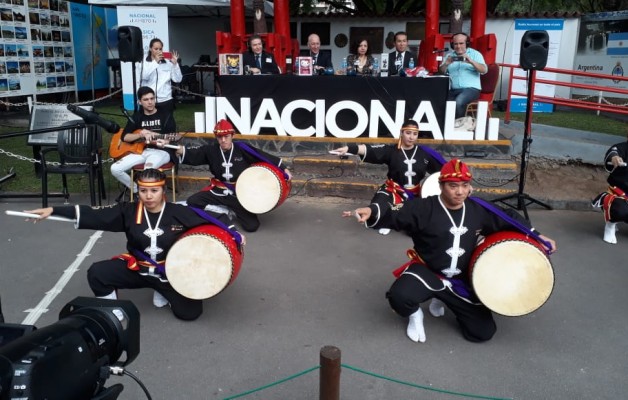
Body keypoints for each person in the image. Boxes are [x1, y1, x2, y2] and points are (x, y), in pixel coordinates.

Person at [343, 159, 556, 343]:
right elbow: (394, 212)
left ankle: (442, 298)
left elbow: (509, 218)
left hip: (461, 280)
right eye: (453, 186)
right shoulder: (423, 207)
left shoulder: (478, 209)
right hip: (427, 271)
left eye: (464, 185)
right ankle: (416, 315)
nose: (460, 191)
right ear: (441, 185)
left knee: (482, 333)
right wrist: (371, 211)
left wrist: (537, 235)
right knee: (399, 297)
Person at [24, 169, 245, 321]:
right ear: (137, 190)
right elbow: (94, 214)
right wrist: (53, 211)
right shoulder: (128, 211)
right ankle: (113, 311)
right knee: (98, 273)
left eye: (154, 191)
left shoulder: (179, 212)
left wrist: (234, 234)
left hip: (170, 274)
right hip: (137, 268)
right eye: (143, 191)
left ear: (163, 190)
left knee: (190, 313)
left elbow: (212, 219)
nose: (148, 196)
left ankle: (163, 293)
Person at [174, 119, 292, 232]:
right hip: (218, 191)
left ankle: (229, 209)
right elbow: (192, 153)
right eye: (220, 137)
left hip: (238, 194)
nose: (223, 140)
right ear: (217, 137)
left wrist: (283, 168)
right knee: (193, 201)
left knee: (252, 226)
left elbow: (262, 155)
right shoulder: (211, 150)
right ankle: (221, 211)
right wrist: (177, 149)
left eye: (226, 136)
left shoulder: (242, 148)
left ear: (232, 135)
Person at [332, 119, 443, 235]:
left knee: (421, 223)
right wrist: (349, 149)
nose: (411, 137)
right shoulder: (392, 151)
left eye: (415, 134)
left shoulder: (424, 153)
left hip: (416, 193)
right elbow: (371, 150)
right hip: (393, 190)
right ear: (401, 133)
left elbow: (444, 169)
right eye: (408, 133)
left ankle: (399, 219)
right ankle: (386, 221)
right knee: (380, 204)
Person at [111, 86, 178, 197]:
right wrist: (140, 134)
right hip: (140, 151)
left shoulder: (166, 115)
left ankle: (152, 197)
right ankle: (137, 191)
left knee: (148, 169)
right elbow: (125, 137)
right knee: (115, 168)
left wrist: (159, 139)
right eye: (146, 100)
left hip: (162, 151)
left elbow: (172, 137)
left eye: (152, 98)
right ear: (140, 102)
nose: (150, 102)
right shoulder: (137, 117)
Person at [439, 32, 487, 119]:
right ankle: (445, 127)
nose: (458, 46)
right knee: (441, 101)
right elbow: (441, 71)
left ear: (467, 43)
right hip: (453, 89)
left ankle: (459, 126)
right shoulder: (449, 55)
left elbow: (484, 70)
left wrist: (471, 61)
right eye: (456, 44)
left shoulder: (475, 54)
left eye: (461, 43)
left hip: (471, 89)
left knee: (459, 101)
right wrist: (446, 64)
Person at [591, 135, 628, 244]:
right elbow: (613, 153)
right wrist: (614, 158)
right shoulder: (621, 147)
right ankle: (610, 225)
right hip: (620, 194)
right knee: (620, 210)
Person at [137, 38, 182, 116]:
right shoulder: (143, 62)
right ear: (150, 49)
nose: (158, 51)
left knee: (167, 126)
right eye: (156, 49)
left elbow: (178, 79)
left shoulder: (167, 63)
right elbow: (144, 76)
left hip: (165, 100)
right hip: (149, 101)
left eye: (160, 49)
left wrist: (175, 65)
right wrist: (155, 62)